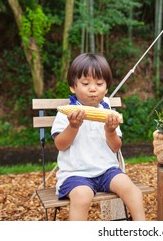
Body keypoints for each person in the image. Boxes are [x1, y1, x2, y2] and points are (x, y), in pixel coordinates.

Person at [51, 53, 146, 221]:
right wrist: (73, 126)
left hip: (106, 171)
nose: (93, 88)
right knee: (82, 196)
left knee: (132, 190)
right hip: (76, 174)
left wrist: (110, 131)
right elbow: (60, 145)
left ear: (106, 87)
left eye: (99, 83)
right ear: (73, 87)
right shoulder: (66, 113)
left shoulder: (109, 113)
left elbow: (116, 147)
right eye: (85, 83)